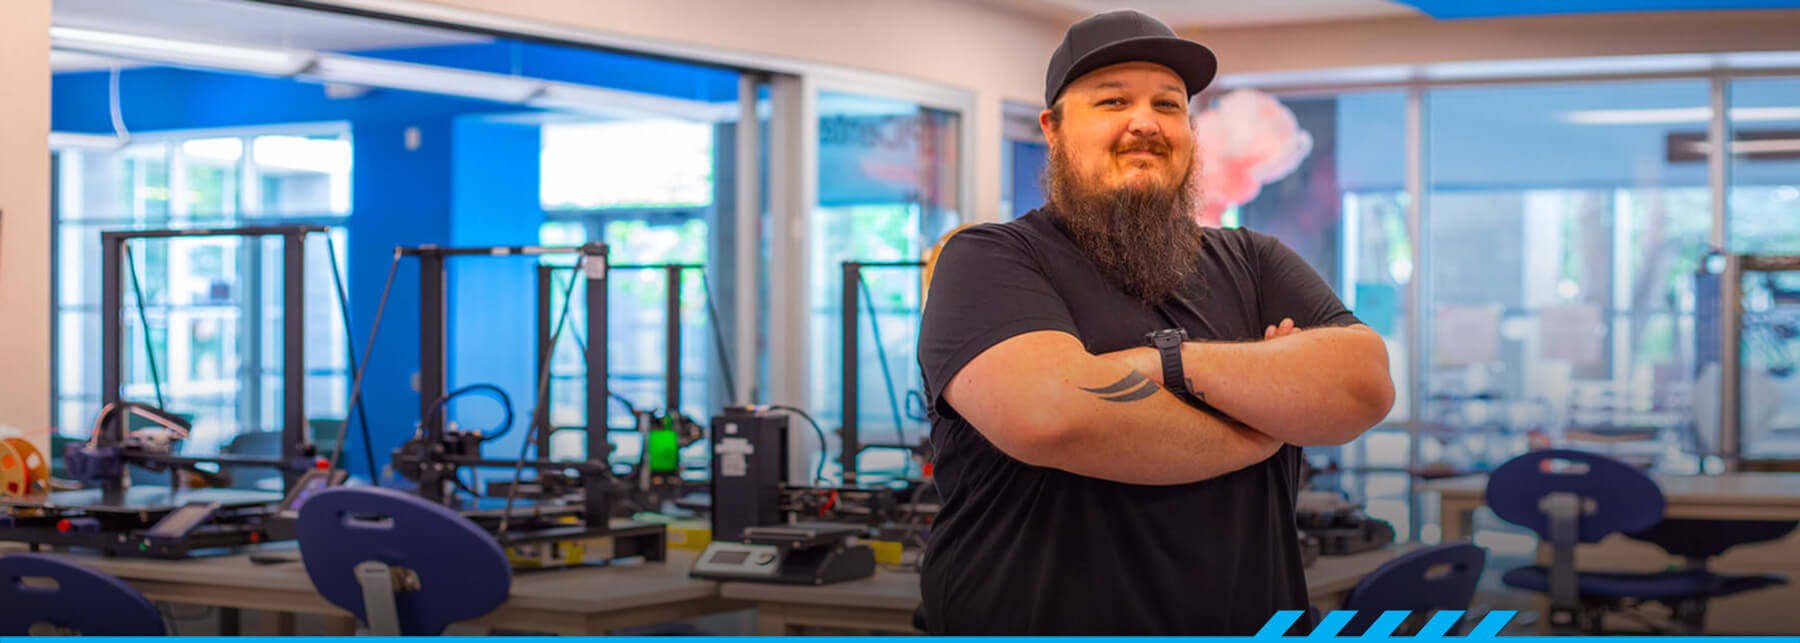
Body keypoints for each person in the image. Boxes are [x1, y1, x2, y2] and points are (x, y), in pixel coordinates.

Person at [915, 9, 1396, 635]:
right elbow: (1055, 417)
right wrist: (1262, 423)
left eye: (1168, 106)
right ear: (1052, 130)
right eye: (1112, 101)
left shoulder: (1254, 259)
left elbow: (1364, 385)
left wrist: (1169, 363)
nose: (1145, 122)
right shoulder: (989, 259)